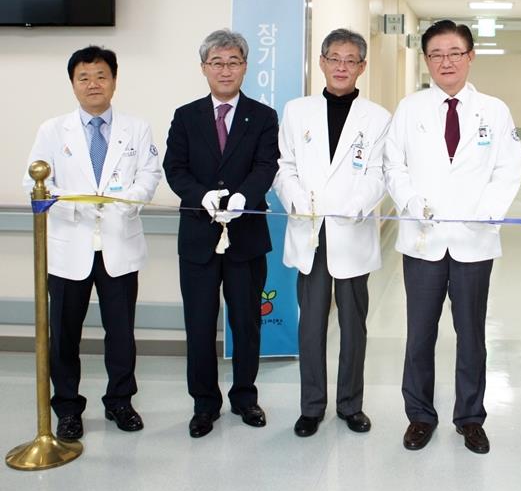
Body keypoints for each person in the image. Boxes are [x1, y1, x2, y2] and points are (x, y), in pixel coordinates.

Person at [384, 19, 521, 454]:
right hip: (422, 239)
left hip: (473, 240)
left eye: (454, 53)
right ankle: (420, 416)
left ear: (470, 56)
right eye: (437, 55)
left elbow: (509, 169)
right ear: (426, 60)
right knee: (419, 334)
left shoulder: (494, 111)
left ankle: (470, 418)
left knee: (472, 334)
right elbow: (393, 165)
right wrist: (410, 202)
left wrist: (487, 212)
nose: (446, 62)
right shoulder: (410, 108)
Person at [25, 46, 162, 441]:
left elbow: (150, 174)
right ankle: (68, 408)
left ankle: (120, 401)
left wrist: (126, 202)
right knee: (64, 335)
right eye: (83, 78)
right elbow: (33, 182)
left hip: (119, 242)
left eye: (101, 76)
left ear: (114, 81)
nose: (93, 84)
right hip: (69, 247)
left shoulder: (136, 128)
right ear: (73, 84)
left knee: (121, 333)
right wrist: (74, 204)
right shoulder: (53, 130)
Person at [273, 28, 391, 438]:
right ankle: (311, 407)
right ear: (322, 62)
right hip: (310, 230)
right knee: (311, 325)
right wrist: (295, 200)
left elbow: (379, 173)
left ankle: (350, 405)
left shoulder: (378, 118)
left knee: (354, 326)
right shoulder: (296, 111)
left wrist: (356, 205)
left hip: (351, 230)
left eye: (350, 60)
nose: (342, 67)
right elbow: (284, 166)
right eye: (334, 58)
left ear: (362, 67)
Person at [163, 29, 279, 438]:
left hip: (246, 237)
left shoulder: (263, 116)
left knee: (247, 322)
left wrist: (244, 196)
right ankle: (204, 404)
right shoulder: (186, 116)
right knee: (199, 324)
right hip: (198, 236)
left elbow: (266, 165)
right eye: (217, 63)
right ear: (204, 69)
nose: (225, 70)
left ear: (245, 67)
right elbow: (174, 168)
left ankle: (245, 397)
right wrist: (201, 196)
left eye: (233, 62)